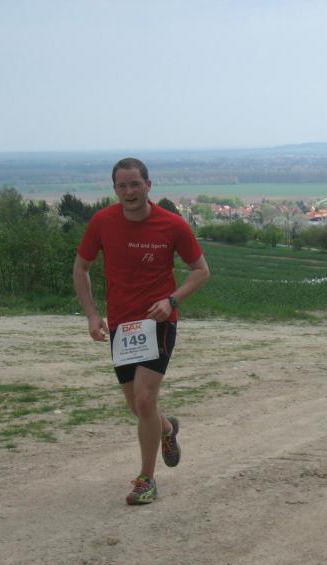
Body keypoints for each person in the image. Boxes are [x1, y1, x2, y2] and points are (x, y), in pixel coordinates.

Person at [73, 157, 210, 505]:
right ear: (115, 189)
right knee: (138, 406)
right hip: (122, 326)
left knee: (146, 399)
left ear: (148, 185)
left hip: (158, 323)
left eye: (135, 184)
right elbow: (81, 268)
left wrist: (172, 301)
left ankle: (146, 480)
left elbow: (200, 271)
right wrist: (92, 315)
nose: (129, 192)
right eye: (122, 186)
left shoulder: (171, 224)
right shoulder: (103, 222)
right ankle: (167, 428)